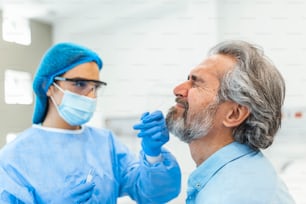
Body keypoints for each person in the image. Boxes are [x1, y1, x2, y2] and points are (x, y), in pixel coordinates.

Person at [0, 42, 181, 203]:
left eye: (95, 87)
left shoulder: (106, 144)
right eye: (79, 84)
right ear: (47, 87)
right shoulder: (14, 158)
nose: (91, 96)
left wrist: (153, 155)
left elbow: (153, 194)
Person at [165, 40, 295, 203]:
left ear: (234, 114)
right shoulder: (241, 175)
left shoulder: (232, 195)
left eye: (197, 83)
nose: (178, 89)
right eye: (188, 79)